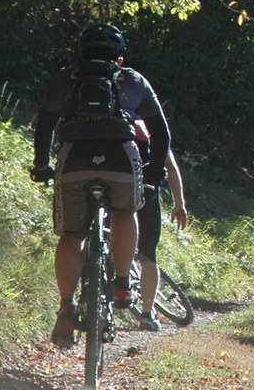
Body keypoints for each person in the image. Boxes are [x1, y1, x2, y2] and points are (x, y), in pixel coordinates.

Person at [30, 23, 170, 348]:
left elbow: (45, 127)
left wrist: (41, 165)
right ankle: (122, 283)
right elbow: (161, 133)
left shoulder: (66, 79)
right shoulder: (133, 80)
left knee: (71, 235)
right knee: (124, 210)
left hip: (74, 158)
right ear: (119, 58)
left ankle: (66, 306)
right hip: (121, 159)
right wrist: (153, 177)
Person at [136, 149, 188, 331]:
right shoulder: (152, 128)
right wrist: (179, 204)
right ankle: (147, 313)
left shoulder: (114, 122)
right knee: (148, 255)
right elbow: (171, 168)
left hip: (112, 187)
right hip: (146, 192)